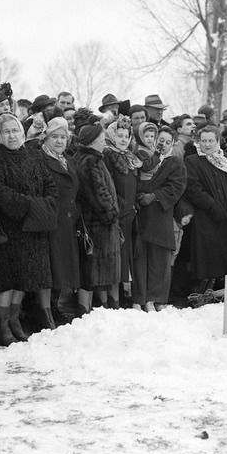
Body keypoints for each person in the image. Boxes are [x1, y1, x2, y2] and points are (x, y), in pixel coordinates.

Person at [0, 112, 59, 345]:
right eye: (6, 131)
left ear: (23, 133)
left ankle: (15, 320)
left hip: (33, 228)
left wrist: (40, 207)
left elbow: (51, 187)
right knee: (6, 278)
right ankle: (2, 325)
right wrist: (28, 205)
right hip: (9, 227)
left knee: (25, 277)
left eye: (15, 130)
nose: (12, 135)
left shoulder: (35, 156)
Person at [132, 125, 187, 310]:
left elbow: (176, 187)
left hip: (160, 215)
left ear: (173, 143)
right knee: (141, 259)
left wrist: (154, 196)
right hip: (141, 214)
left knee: (159, 259)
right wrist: (138, 193)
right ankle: (141, 298)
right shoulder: (144, 157)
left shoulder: (175, 163)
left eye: (167, 141)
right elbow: (133, 179)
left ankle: (156, 298)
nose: (162, 144)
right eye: (160, 140)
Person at [183, 125, 227, 292]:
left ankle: (222, 286)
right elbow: (193, 188)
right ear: (198, 142)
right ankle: (204, 288)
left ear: (217, 142)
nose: (207, 145)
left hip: (226, 214)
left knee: (226, 253)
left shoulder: (224, 159)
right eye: (204, 141)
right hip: (204, 216)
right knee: (207, 254)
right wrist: (213, 206)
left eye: (210, 141)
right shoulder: (192, 160)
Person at [74, 122, 122, 314]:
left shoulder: (87, 158)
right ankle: (84, 311)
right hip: (98, 225)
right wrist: (112, 214)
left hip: (94, 222)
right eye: (101, 139)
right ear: (92, 141)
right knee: (91, 272)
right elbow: (98, 193)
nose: (104, 141)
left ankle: (86, 310)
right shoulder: (91, 161)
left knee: (91, 271)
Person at [39, 116, 81, 325]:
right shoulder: (42, 160)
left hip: (67, 221)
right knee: (50, 269)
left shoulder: (68, 161)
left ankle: (54, 307)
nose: (59, 141)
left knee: (61, 269)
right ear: (46, 138)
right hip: (50, 221)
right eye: (54, 136)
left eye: (63, 137)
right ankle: (44, 311)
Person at [103, 119, 141, 308]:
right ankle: (113, 299)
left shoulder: (129, 157)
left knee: (125, 256)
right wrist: (122, 205)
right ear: (111, 136)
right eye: (119, 135)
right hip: (116, 214)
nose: (123, 139)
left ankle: (120, 295)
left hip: (129, 214)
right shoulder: (108, 155)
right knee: (115, 256)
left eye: (127, 136)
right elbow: (108, 186)